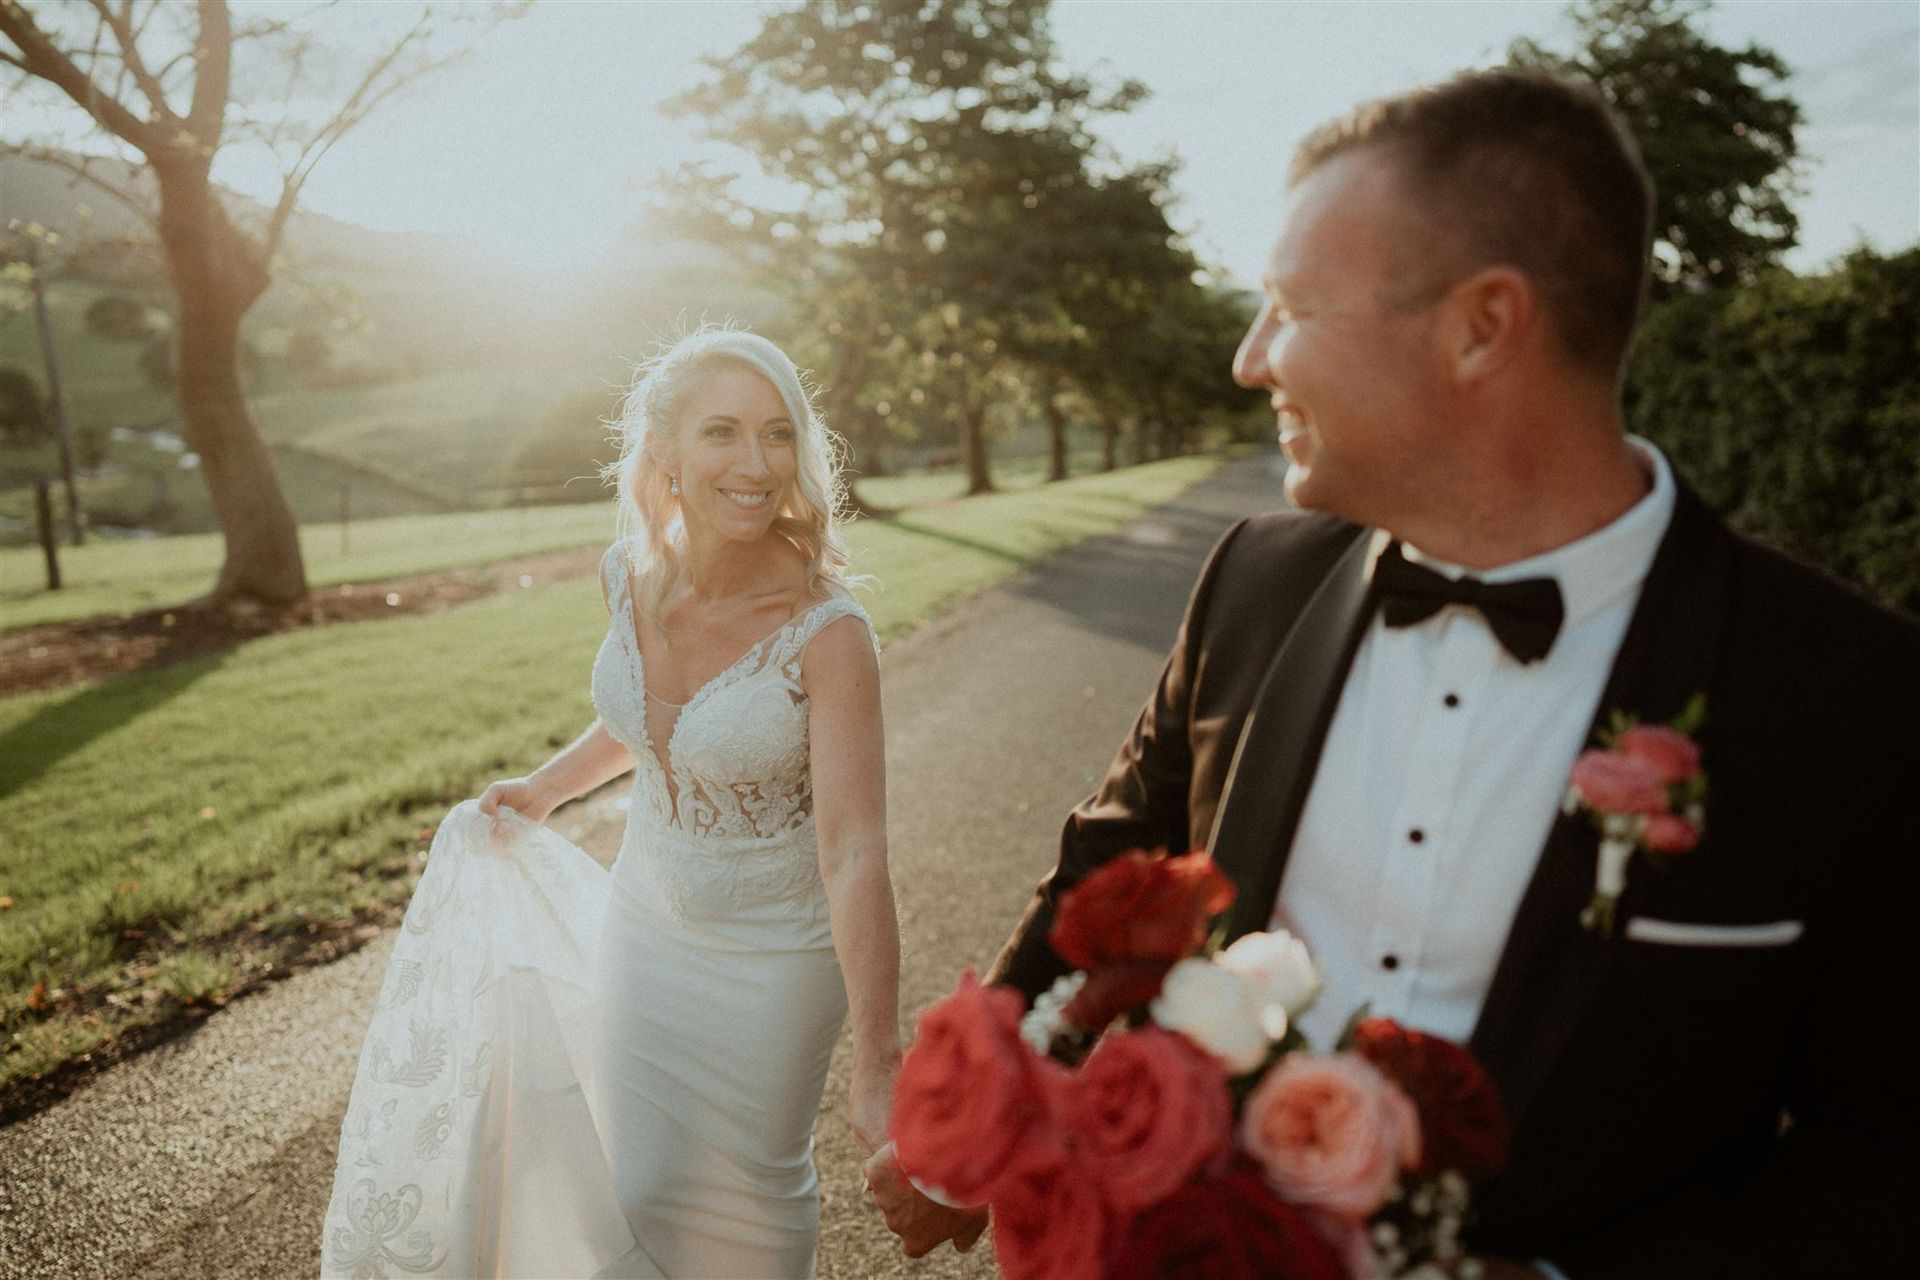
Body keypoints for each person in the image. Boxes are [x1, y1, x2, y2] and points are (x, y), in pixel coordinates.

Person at [868, 70, 1920, 1276]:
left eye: (1292, 307)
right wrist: (977, 1119)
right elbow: (1108, 876)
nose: (1249, 359)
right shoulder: (1253, 585)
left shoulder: (1858, 699)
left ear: (1483, 326)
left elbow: (1887, 1152)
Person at [322, 328, 901, 1279]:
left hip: (775, 955)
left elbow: (852, 851)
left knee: (754, 1197)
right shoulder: (625, 577)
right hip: (647, 929)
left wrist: (879, 1055)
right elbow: (652, 722)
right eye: (721, 433)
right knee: (637, 1185)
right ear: (662, 449)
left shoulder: (828, 632)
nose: (754, 464)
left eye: (776, 434)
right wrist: (547, 789)